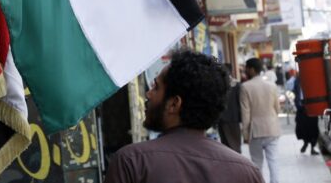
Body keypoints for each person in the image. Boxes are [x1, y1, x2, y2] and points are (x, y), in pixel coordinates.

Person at [104, 51, 264, 183]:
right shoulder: (247, 172)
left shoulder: (131, 162)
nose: (148, 94)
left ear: (174, 104)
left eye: (156, 87)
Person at [241, 57, 281, 183]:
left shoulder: (245, 87)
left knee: (257, 163)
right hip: (272, 128)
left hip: (255, 131)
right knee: (273, 161)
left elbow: (245, 113)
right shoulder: (271, 86)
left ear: (252, 70)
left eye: (247, 68)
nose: (245, 71)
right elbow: (277, 109)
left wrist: (245, 134)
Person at [218, 63, 243, 153]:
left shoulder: (220, 85)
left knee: (228, 145)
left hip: (225, 119)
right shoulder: (236, 85)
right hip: (232, 119)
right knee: (233, 144)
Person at [293, 74, 320, 155]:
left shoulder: (311, 78)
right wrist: (297, 104)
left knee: (313, 128)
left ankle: (312, 147)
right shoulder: (298, 79)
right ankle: (305, 143)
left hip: (311, 106)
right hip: (301, 107)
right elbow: (295, 92)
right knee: (302, 128)